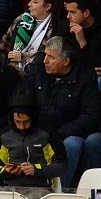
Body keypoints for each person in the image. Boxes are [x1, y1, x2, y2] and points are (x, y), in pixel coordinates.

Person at [21, 35, 101, 183]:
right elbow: (22, 100)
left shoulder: (84, 77)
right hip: (38, 128)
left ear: (66, 61)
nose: (45, 61)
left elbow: (90, 115)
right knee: (0, 136)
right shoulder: (37, 71)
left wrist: (60, 133)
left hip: (69, 132)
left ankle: (60, 192)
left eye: (51, 57)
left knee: (71, 145)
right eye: (45, 55)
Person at [0, 91, 67, 188]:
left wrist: (36, 170)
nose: (22, 127)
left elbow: (62, 167)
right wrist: (6, 171)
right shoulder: (4, 135)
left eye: (26, 122)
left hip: (40, 187)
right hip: (10, 187)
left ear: (33, 117)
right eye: (17, 122)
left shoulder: (48, 133)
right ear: (12, 118)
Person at [2, 0, 66, 72]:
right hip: (10, 69)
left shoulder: (54, 28)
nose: (29, 4)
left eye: (35, 2)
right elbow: (4, 44)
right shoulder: (22, 19)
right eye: (30, 0)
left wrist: (22, 57)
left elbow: (46, 55)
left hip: (36, 74)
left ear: (47, 6)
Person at [65, 0, 101, 69]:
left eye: (72, 12)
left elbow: (95, 65)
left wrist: (82, 42)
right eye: (68, 12)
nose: (68, 16)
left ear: (86, 13)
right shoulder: (65, 26)